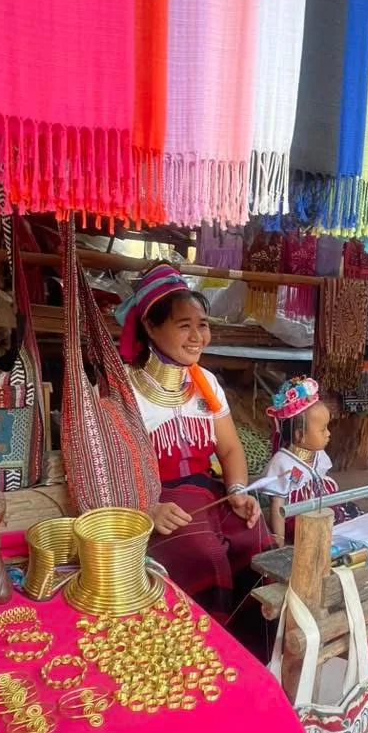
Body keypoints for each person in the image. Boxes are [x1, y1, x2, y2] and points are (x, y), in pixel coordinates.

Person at [115, 263, 274, 653]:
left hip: (209, 494)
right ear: (151, 327)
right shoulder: (120, 387)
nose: (197, 336)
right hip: (157, 501)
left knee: (256, 540)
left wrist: (237, 490)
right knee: (204, 555)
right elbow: (110, 468)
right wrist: (146, 510)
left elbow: (231, 449)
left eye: (202, 324)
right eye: (183, 324)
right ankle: (205, 656)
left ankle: (254, 656)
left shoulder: (205, 383)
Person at [263, 377, 359, 544]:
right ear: (300, 435)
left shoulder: (318, 454)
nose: (329, 434)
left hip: (323, 508)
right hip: (300, 519)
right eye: (323, 429)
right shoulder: (282, 463)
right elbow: (277, 505)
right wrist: (279, 539)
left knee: (348, 516)